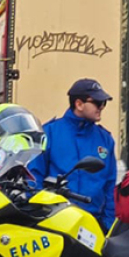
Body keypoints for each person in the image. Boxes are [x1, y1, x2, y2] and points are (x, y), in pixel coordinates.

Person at [28, 79, 117, 231]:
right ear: (79, 104)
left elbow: (110, 186)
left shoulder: (105, 139)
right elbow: (33, 177)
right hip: (55, 221)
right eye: (97, 102)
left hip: (93, 224)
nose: (101, 107)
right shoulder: (50, 132)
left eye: (104, 103)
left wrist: (107, 226)